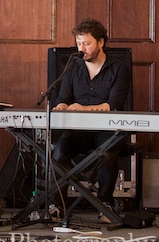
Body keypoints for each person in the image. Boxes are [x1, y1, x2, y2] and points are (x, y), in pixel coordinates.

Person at [51, 18, 131, 223]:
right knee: (58, 152)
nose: (81, 48)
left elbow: (112, 105)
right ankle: (58, 205)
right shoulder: (73, 67)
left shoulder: (119, 68)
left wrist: (83, 108)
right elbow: (63, 100)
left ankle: (103, 203)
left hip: (107, 129)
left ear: (101, 43)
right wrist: (59, 108)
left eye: (86, 43)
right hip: (79, 130)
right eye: (79, 43)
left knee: (107, 153)